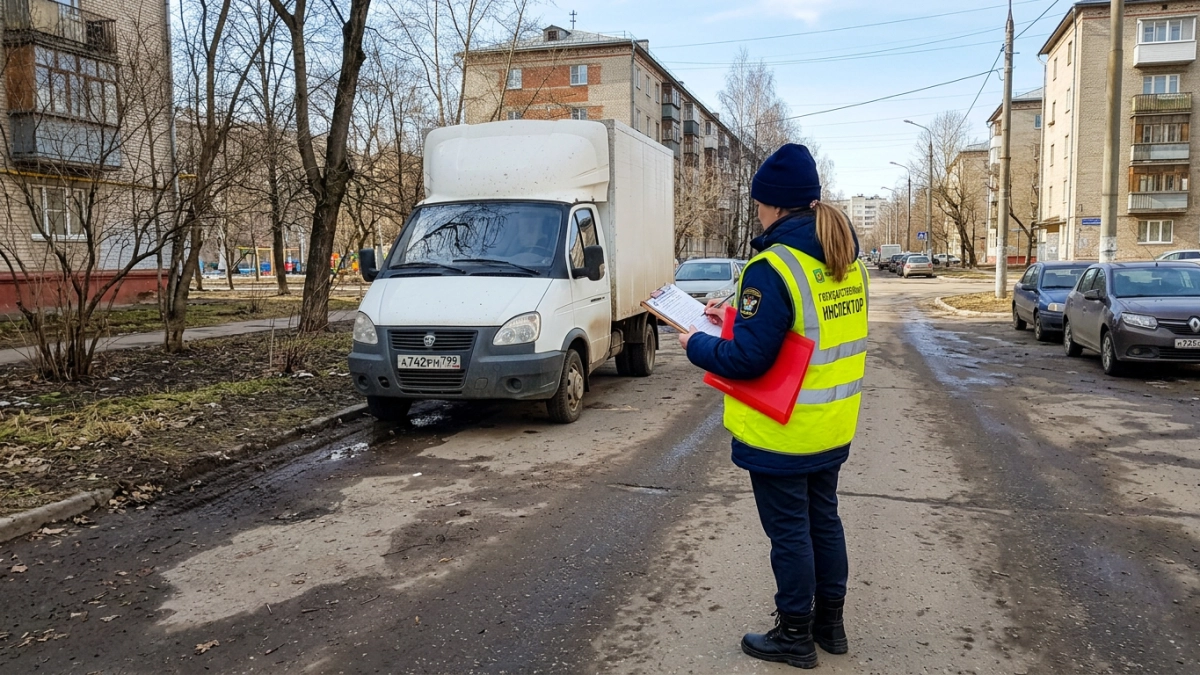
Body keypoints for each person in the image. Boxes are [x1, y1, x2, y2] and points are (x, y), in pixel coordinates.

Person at [677, 144, 869, 670]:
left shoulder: (772, 265)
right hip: (832, 425)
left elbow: (749, 359)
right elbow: (802, 327)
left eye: (758, 202)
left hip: (783, 430)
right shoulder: (847, 261)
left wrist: (697, 340)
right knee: (823, 522)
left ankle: (794, 636)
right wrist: (734, 311)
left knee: (790, 533)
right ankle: (830, 625)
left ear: (774, 205)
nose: (756, 210)